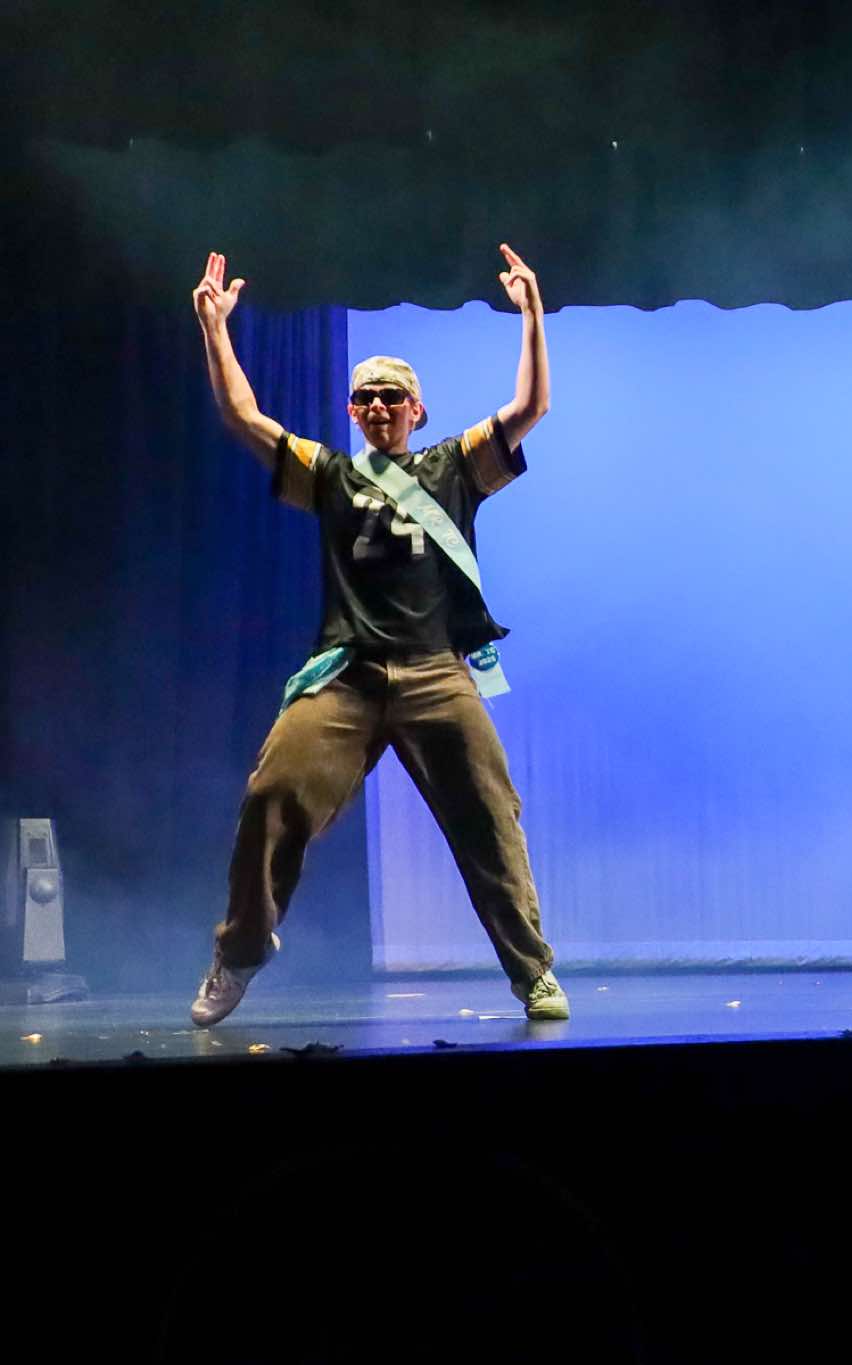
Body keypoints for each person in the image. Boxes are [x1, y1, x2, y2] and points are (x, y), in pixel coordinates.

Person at [186, 245, 567, 1025]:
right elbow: (243, 418)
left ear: (416, 410)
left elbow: (530, 406)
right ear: (352, 412)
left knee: (491, 815)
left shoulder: (452, 468)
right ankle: (241, 950)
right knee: (271, 795)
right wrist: (216, 329)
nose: (380, 406)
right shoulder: (330, 475)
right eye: (366, 398)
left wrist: (532, 313)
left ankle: (532, 970)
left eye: (393, 397)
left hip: (435, 674)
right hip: (347, 675)